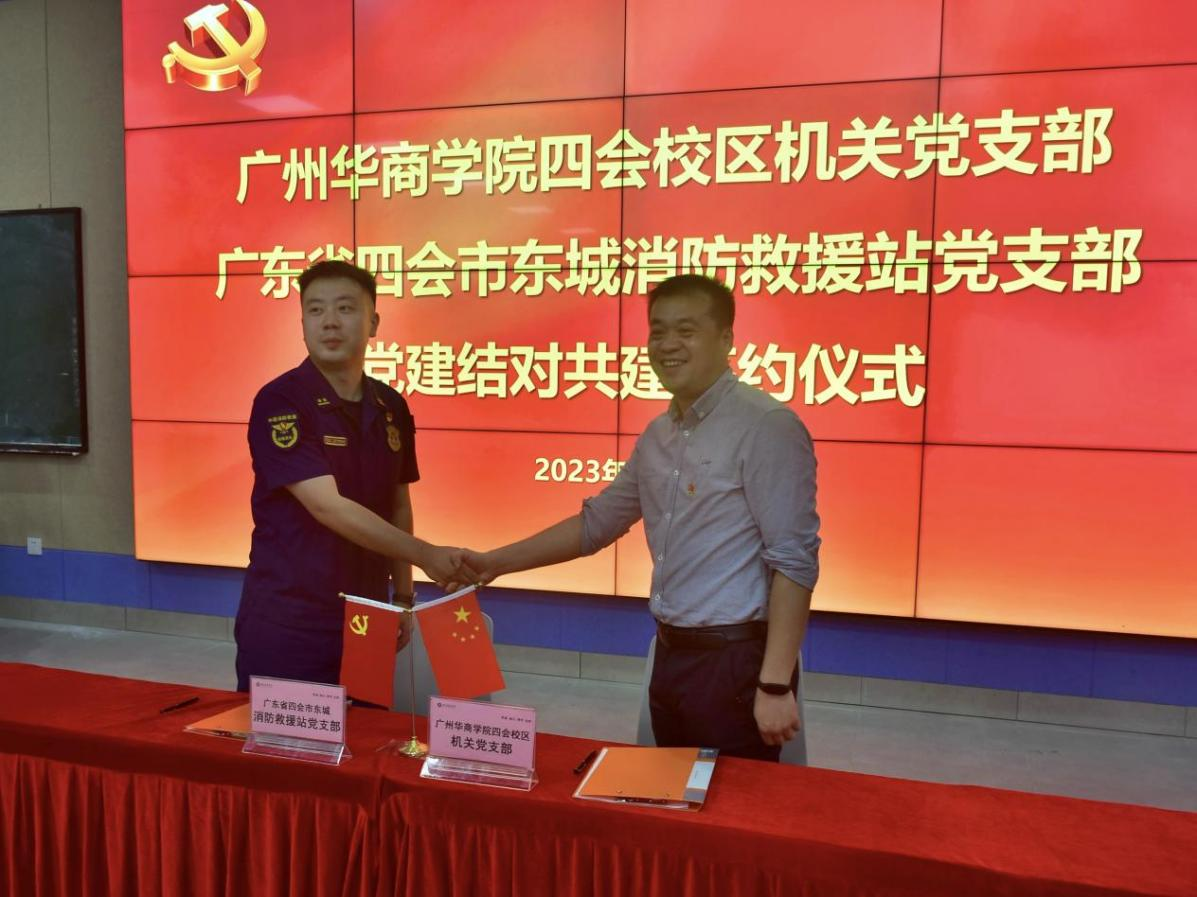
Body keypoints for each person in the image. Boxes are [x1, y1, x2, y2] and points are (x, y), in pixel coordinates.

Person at [462, 274, 820, 760]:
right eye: (658, 331)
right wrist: (493, 563)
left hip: (736, 663)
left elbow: (794, 560)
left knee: (727, 806)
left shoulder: (767, 426)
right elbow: (596, 524)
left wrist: (775, 684)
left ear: (726, 338)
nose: (668, 344)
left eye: (686, 330)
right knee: (671, 799)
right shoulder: (659, 435)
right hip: (671, 657)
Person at [234, 260, 470, 691]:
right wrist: (427, 555)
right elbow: (328, 507)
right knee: (287, 734)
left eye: (345, 308)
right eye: (315, 310)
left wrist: (403, 597)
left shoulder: (391, 406)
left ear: (373, 323)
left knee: (364, 730)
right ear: (302, 324)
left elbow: (398, 504)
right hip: (291, 619)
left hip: (369, 613)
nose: (329, 322)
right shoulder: (281, 401)